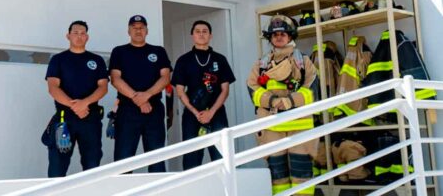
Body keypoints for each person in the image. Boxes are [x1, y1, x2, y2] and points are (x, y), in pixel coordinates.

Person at [247, 14, 318, 195]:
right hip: (272, 127)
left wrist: (289, 102)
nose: (279, 37)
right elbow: (252, 87)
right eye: (275, 34)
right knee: (277, 175)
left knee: (301, 172)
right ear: (270, 38)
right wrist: (271, 101)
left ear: (291, 36)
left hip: (299, 127)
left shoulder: (304, 61)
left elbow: (311, 90)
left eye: (283, 34)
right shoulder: (262, 64)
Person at [44, 20, 108, 177]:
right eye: (75, 33)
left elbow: (103, 87)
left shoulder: (97, 60)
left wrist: (84, 103)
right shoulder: (58, 60)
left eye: (83, 33)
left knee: (92, 165)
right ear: (68, 36)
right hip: (64, 119)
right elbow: (53, 87)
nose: (79, 36)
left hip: (90, 118)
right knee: (57, 167)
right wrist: (75, 106)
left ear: (87, 37)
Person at [109, 14, 171, 172]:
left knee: (156, 157)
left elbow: (165, 77)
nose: (138, 31)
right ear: (128, 31)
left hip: (154, 109)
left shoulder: (158, 51)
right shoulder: (119, 51)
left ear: (147, 31)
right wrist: (139, 99)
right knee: (123, 159)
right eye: (134, 28)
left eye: (141, 28)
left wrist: (147, 96)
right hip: (128, 110)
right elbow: (115, 79)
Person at [172, 20, 236, 170]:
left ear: (210, 35)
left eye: (205, 31)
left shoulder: (220, 59)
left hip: (216, 114)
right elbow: (180, 91)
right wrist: (196, 113)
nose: (201, 34)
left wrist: (211, 112)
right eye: (198, 31)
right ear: (192, 35)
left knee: (221, 156)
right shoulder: (183, 60)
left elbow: (225, 90)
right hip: (192, 115)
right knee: (191, 160)